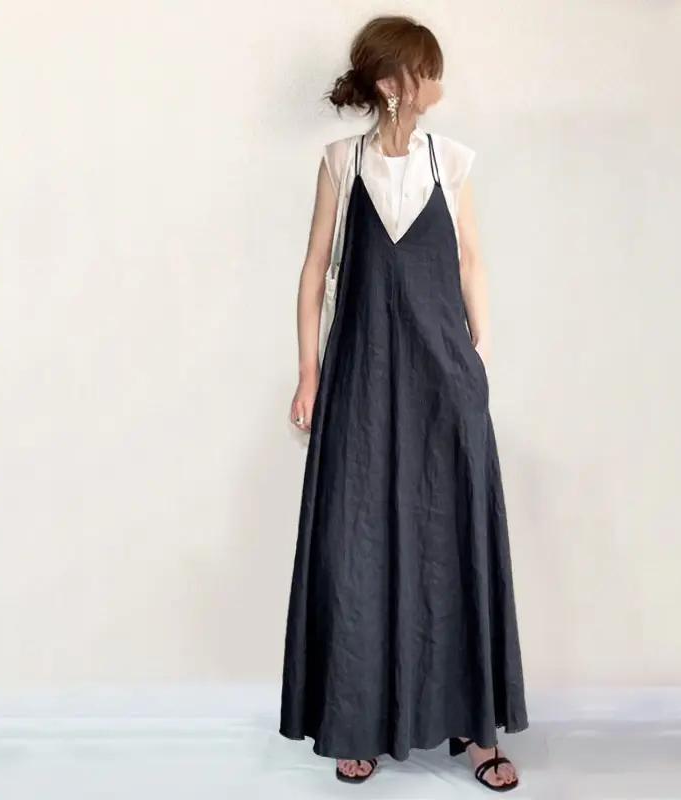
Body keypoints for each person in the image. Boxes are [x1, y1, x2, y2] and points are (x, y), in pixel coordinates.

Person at [279, 15, 528, 792]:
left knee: (452, 540)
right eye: (427, 69)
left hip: (443, 380)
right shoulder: (340, 162)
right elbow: (315, 269)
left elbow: (472, 260)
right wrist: (310, 374)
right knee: (356, 546)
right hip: (359, 380)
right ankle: (356, 723)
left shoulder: (452, 160)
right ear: (393, 84)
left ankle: (474, 728)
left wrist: (480, 356)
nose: (437, 82)